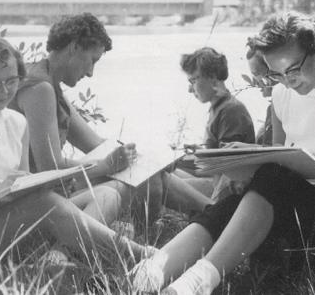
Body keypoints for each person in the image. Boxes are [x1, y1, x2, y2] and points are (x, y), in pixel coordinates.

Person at [131, 12, 315, 295]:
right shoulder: (281, 94)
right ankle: (148, 275)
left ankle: (197, 282)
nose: (288, 81)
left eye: (293, 70)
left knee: (274, 176)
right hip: (282, 202)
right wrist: (249, 157)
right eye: (277, 73)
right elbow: (278, 153)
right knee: (233, 201)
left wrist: (305, 176)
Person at [0, 35, 153, 265]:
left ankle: (56, 256)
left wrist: (42, 183)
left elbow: (23, 184)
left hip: (11, 226)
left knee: (106, 194)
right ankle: (137, 256)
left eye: (11, 81)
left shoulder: (16, 122)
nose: (4, 91)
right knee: (43, 203)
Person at [11, 13, 211, 224]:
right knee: (146, 181)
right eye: (92, 61)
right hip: (37, 200)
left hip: (54, 190)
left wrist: (145, 160)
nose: (90, 73)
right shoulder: (40, 88)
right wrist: (106, 166)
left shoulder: (49, 83)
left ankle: (211, 211)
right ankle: (209, 214)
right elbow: (49, 169)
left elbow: (95, 144)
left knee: (149, 173)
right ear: (74, 48)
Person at [175, 47, 256, 200]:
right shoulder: (219, 107)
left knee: (166, 181)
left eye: (193, 80)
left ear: (212, 77)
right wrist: (199, 152)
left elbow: (227, 169)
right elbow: (218, 157)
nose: (189, 89)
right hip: (216, 180)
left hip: (227, 193)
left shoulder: (231, 110)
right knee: (168, 172)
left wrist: (199, 156)